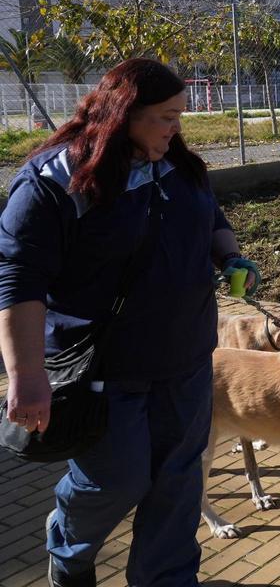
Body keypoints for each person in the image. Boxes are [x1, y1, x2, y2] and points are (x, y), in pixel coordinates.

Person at [0, 59, 260, 587]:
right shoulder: (58, 179)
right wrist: (26, 375)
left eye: (179, 116)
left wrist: (230, 257)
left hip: (185, 361)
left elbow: (211, 218)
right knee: (115, 481)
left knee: (178, 482)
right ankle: (69, 550)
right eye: (165, 117)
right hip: (102, 366)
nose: (176, 128)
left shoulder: (180, 165)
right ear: (122, 116)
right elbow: (17, 278)